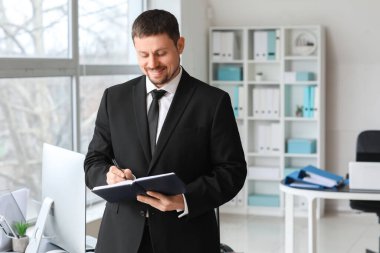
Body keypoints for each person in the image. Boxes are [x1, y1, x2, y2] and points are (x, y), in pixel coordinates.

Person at [84, 9, 247, 253]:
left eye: (161, 53)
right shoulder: (113, 98)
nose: (152, 64)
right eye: (143, 54)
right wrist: (108, 175)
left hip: (187, 236)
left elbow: (232, 171)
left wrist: (185, 199)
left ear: (179, 45)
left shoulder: (213, 102)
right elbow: (94, 161)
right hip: (121, 238)